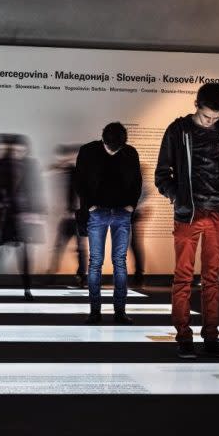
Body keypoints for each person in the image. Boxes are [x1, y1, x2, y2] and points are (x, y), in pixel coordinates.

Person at [155, 83, 219, 359]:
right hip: (189, 215)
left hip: (218, 215)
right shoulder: (178, 130)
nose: (212, 122)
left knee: (212, 279)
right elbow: (162, 174)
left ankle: (212, 338)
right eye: (207, 117)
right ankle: (183, 338)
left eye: (216, 117)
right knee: (183, 277)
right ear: (196, 105)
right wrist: (177, 198)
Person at [76, 122, 142, 325]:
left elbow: (137, 181)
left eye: (117, 148)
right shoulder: (88, 151)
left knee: (118, 263)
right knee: (96, 263)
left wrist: (131, 205)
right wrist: (90, 206)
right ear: (103, 139)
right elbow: (79, 181)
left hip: (122, 213)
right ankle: (95, 312)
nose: (113, 151)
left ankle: (119, 312)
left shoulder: (129, 152)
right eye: (109, 147)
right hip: (98, 213)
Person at [0, 135, 45, 301]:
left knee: (23, 254)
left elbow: (35, 188)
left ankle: (26, 290)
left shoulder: (28, 164)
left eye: (19, 150)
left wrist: (34, 210)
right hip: (4, 214)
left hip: (19, 214)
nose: (15, 153)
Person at [46, 144, 87, 287]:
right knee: (60, 247)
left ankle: (81, 276)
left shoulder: (82, 172)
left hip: (78, 216)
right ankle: (52, 274)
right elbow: (48, 170)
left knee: (80, 248)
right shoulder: (66, 170)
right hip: (67, 217)